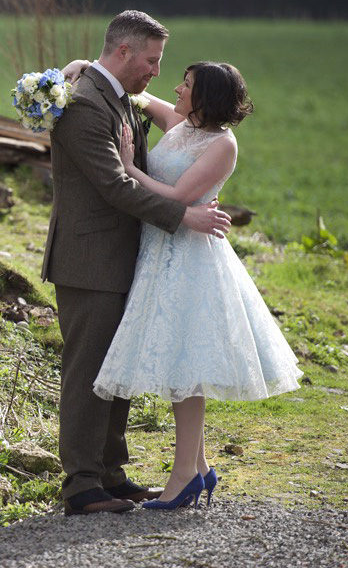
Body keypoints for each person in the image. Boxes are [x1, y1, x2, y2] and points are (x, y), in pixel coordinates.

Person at [41, 10, 232, 516]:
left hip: (125, 256)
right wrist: (182, 216)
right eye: (151, 60)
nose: (155, 72)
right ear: (123, 52)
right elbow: (113, 183)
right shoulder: (85, 105)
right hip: (88, 258)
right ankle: (81, 486)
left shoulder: (117, 97)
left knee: (114, 368)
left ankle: (109, 474)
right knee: (88, 373)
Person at [92, 61, 302, 509]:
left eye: (185, 86)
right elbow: (141, 98)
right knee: (179, 367)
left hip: (189, 259)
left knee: (185, 368)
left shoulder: (222, 144)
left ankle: (184, 474)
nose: (176, 89)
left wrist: (128, 166)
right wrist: (80, 68)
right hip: (159, 254)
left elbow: (176, 197)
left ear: (205, 96)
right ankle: (200, 467)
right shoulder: (182, 123)